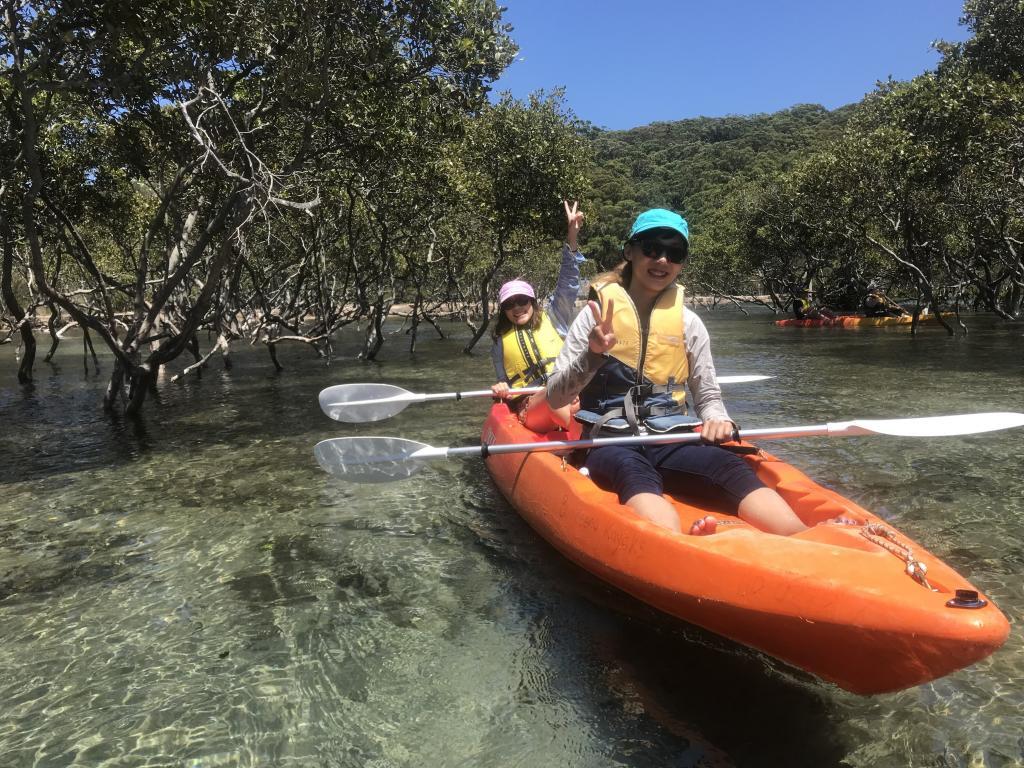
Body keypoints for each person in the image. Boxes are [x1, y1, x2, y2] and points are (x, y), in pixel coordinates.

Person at [545, 208, 813, 536]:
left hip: (671, 437)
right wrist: (593, 354)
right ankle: (678, 545)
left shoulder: (689, 324)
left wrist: (718, 418)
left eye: (674, 253)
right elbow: (556, 395)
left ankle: (805, 539)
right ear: (630, 251)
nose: (662, 260)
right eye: (653, 249)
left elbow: (708, 396)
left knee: (729, 467)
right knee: (632, 470)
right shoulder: (593, 318)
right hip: (609, 441)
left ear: (682, 262)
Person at [490, 200, 585, 432]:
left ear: (532, 302)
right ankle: (569, 425)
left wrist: (572, 237)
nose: (517, 307)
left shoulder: (554, 318)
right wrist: (500, 388)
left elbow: (568, 283)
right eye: (510, 304)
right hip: (532, 405)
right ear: (503, 309)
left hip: (568, 394)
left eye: (522, 301)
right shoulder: (500, 341)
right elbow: (504, 381)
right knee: (554, 398)